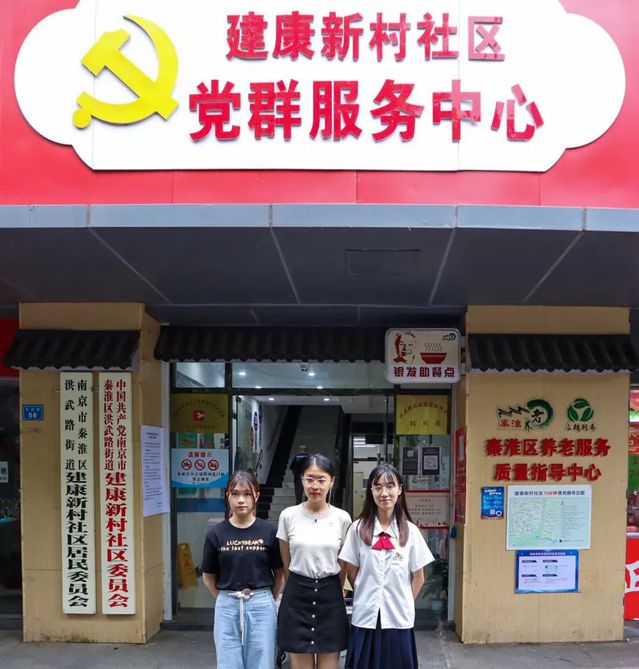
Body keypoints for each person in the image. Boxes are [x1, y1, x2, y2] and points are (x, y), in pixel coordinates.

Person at [339, 463, 434, 669]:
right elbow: (352, 572)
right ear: (370, 491)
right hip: (365, 616)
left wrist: (403, 601)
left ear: (400, 489)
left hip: (398, 618)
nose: (384, 493)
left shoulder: (410, 532)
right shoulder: (357, 529)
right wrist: (369, 594)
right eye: (378, 487)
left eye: (390, 486)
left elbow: (419, 577)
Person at [201, 470, 284, 669]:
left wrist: (266, 599)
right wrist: (226, 598)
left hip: (262, 604)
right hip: (227, 606)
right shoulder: (216, 534)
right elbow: (208, 577)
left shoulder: (269, 531)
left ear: (256, 496)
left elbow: (280, 574)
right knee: (228, 662)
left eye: (247, 494)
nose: (241, 500)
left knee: (262, 662)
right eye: (235, 494)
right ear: (227, 496)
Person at [277, 454, 351, 669]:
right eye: (309, 479)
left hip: (331, 596)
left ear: (332, 481)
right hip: (297, 596)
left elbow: (345, 563)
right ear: (301, 480)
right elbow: (286, 561)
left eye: (321, 480)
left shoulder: (342, 518)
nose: (315, 486)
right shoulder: (288, 516)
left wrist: (339, 588)